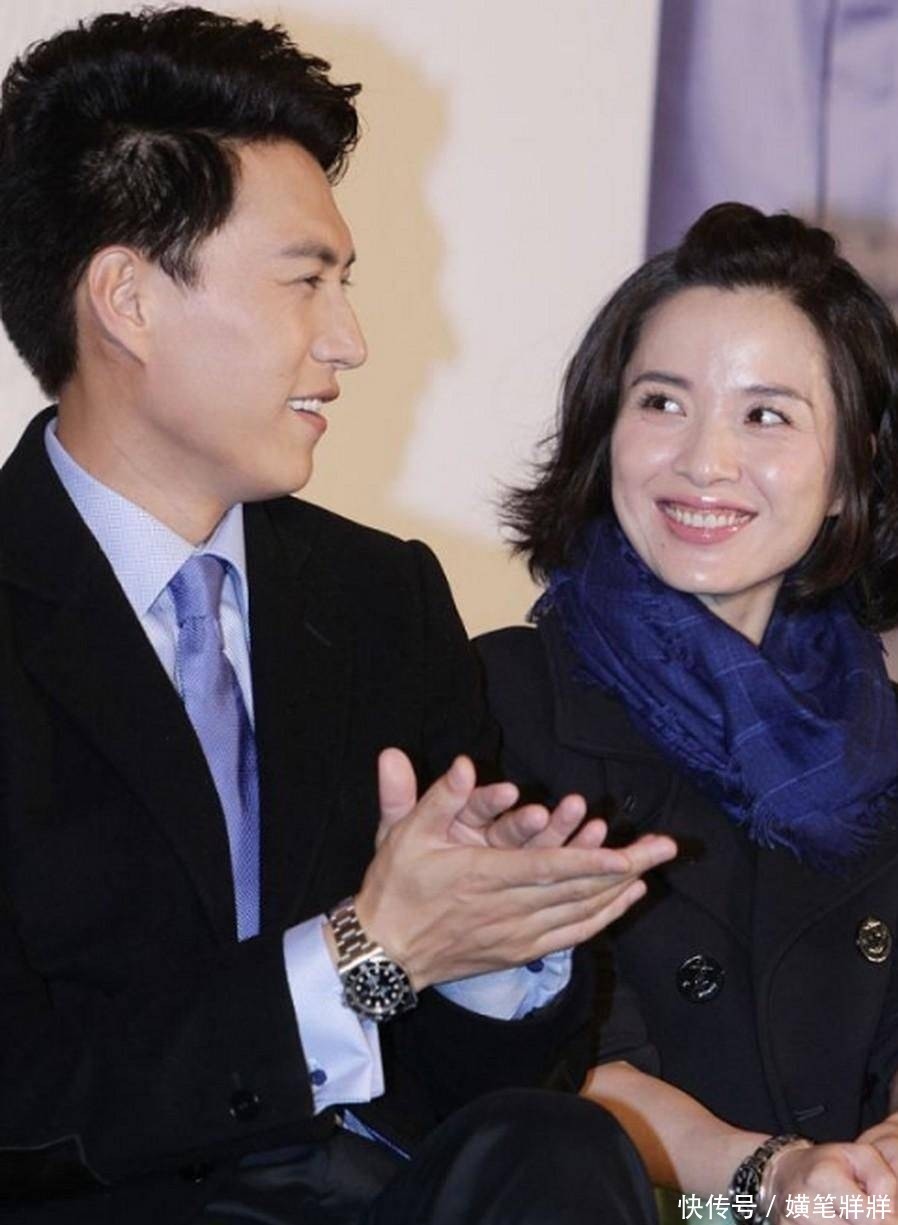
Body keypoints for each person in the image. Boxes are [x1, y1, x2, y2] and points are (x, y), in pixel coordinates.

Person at [0, 8, 677, 1225]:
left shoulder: (379, 599)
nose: (349, 341)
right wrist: (366, 952)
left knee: (555, 1144)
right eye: (306, 280)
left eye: (344, 284)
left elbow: (464, 1096)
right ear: (128, 299)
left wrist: (494, 939)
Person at [478, 202, 898, 1222]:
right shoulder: (498, 700)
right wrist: (770, 1179)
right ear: (604, 430)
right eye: (662, 402)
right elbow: (532, 1064)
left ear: (848, 471)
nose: (704, 461)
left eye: (766, 416)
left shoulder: (881, 728)